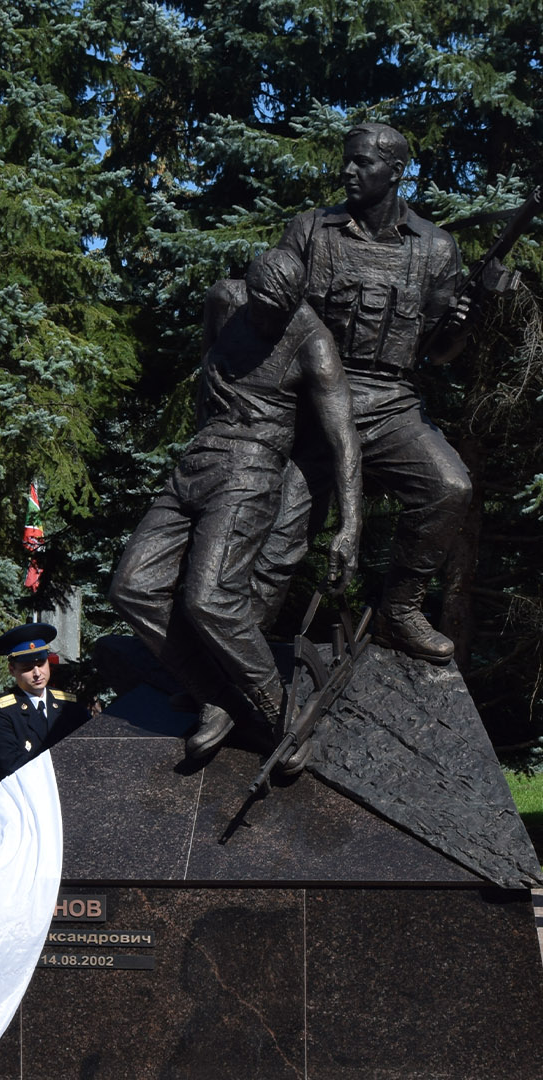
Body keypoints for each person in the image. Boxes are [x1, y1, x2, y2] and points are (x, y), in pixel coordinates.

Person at [110, 249, 362, 759]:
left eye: (281, 308)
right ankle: (215, 694)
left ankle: (278, 712)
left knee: (209, 599)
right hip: (197, 462)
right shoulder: (224, 301)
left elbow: (344, 440)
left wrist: (351, 524)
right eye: (263, 304)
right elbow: (210, 369)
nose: (270, 316)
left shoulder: (314, 345)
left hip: (250, 470)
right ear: (248, 290)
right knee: (131, 587)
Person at [271, 122, 474, 663]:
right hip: (315, 405)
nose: (348, 170)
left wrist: (461, 322)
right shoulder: (312, 231)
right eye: (348, 160)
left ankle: (399, 612)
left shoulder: (435, 248)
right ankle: (231, 664)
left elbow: (439, 354)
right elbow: (268, 315)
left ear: (396, 172)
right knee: (280, 536)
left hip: (392, 404)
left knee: (449, 488)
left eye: (362, 162)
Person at [0, 623, 92, 781]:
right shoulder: (0, 711)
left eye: (41, 664)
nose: (37, 673)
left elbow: (89, 747)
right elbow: (10, 764)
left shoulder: (70, 705)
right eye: (27, 668)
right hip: (27, 794)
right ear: (12, 670)